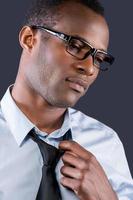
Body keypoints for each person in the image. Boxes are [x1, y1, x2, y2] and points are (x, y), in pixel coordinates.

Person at [0, 0, 133, 199]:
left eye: (98, 59)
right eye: (76, 46)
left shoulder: (106, 144)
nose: (89, 69)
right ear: (29, 39)